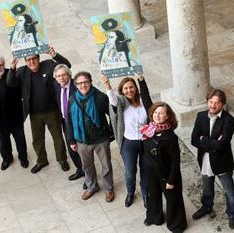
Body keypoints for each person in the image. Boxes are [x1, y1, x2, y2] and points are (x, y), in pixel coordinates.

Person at [7, 46, 70, 174]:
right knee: (37, 139)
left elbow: (67, 66)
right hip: (34, 114)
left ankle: (62, 159)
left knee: (58, 137)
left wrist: (55, 55)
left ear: (38, 58)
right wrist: (12, 68)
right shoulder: (22, 71)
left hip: (52, 111)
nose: (31, 62)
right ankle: (41, 160)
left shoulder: (48, 65)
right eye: (28, 60)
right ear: (25, 61)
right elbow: (10, 83)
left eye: (34, 58)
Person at [101, 73, 151, 207]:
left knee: (146, 170)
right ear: (122, 91)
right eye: (126, 88)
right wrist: (107, 86)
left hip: (145, 142)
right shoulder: (122, 103)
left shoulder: (143, 102)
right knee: (130, 171)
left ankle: (146, 194)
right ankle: (130, 192)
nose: (129, 90)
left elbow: (147, 98)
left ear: (135, 88)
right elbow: (113, 101)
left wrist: (141, 79)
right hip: (128, 143)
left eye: (131, 87)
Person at [191, 89, 234, 229]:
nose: (212, 105)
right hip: (206, 159)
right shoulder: (200, 116)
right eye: (210, 102)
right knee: (207, 187)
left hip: (222, 161)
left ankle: (232, 214)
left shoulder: (228, 120)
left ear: (222, 104)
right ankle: (206, 207)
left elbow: (222, 143)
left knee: (229, 190)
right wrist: (213, 143)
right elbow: (194, 140)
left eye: (216, 103)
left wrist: (204, 140)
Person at [66, 71, 115, 202]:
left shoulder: (100, 97)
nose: (83, 85)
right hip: (82, 141)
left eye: (85, 82)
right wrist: (72, 140)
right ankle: (92, 186)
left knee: (106, 166)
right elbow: (69, 122)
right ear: (76, 85)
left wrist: (110, 132)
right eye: (80, 83)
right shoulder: (72, 99)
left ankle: (109, 188)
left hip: (100, 139)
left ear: (90, 82)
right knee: (87, 166)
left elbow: (113, 115)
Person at [140, 102, 187, 233]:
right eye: (155, 112)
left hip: (166, 174)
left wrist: (171, 180)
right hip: (151, 172)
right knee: (153, 195)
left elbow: (175, 160)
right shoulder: (149, 130)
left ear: (167, 116)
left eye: (161, 113)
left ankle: (176, 224)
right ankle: (155, 217)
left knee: (173, 199)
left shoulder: (170, 137)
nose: (157, 115)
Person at [0, 54, 28, 170]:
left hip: (15, 115)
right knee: (4, 140)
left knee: (20, 139)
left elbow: (19, 92)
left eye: (1, 65)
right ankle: (7, 159)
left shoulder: (12, 74)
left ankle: (23, 158)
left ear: (4, 64)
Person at [53, 64, 85, 181]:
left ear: (69, 75)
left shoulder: (77, 87)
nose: (61, 78)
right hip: (66, 123)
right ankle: (80, 169)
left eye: (63, 75)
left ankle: (89, 174)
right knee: (71, 148)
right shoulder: (56, 85)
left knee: (84, 150)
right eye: (58, 76)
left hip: (79, 123)